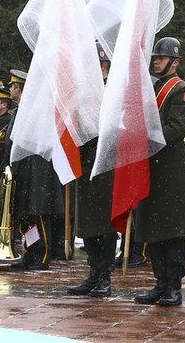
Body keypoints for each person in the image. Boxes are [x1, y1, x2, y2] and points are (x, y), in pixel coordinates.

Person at [133, 37, 185, 307]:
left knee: (171, 233)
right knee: (154, 231)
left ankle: (174, 286)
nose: (156, 61)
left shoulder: (181, 91)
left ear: (174, 61)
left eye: (160, 58)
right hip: (151, 169)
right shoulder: (153, 87)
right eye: (155, 58)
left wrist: (144, 136)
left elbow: (174, 131)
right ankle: (160, 282)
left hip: (171, 172)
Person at [68, 42, 117, 298]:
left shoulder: (113, 91)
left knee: (104, 225)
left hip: (106, 166)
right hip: (85, 164)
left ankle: (105, 275)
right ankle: (93, 273)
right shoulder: (85, 94)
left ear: (104, 66)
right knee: (88, 224)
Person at [2, 70, 64, 270]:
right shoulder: (22, 109)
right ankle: (31, 252)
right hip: (24, 169)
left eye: (12, 86)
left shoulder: (37, 110)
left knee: (38, 213)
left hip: (36, 170)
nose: (10, 89)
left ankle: (42, 255)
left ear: (20, 88)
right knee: (27, 216)